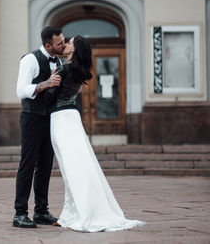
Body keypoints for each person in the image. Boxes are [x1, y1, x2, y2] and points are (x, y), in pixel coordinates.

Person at [44, 36, 145, 232]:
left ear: (74, 49)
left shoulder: (63, 70)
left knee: (70, 168)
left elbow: (49, 98)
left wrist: (48, 82)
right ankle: (73, 212)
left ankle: (82, 213)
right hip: (72, 116)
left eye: (69, 43)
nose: (65, 45)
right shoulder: (79, 70)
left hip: (60, 118)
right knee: (79, 164)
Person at [13, 26, 66, 228]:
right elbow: (21, 90)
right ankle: (19, 213)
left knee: (45, 165)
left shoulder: (58, 61)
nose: (62, 44)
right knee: (27, 164)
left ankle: (41, 212)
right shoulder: (30, 59)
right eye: (59, 42)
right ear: (47, 45)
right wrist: (47, 83)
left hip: (49, 118)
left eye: (63, 41)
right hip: (31, 117)